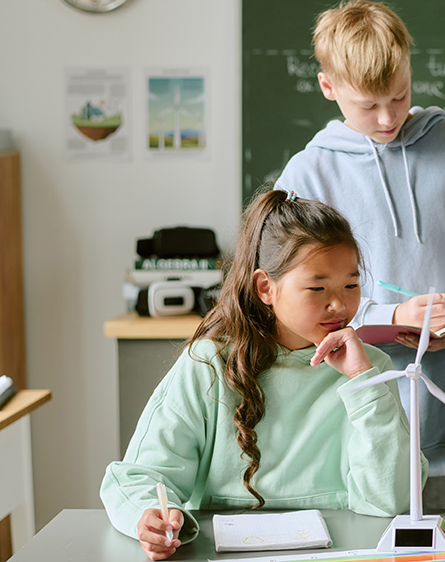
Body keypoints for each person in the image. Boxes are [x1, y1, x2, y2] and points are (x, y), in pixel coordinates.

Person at [100, 191, 419, 561]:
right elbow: (138, 476)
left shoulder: (368, 367)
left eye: (351, 285)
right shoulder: (209, 363)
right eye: (317, 288)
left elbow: (391, 500)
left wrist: (363, 383)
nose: (340, 304)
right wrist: (151, 517)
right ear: (266, 288)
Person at [273, 0, 445, 488]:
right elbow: (294, 297)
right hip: (358, 408)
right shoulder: (307, 173)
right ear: (328, 87)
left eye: (399, 97)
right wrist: (390, 317)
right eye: (368, 105)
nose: (387, 118)